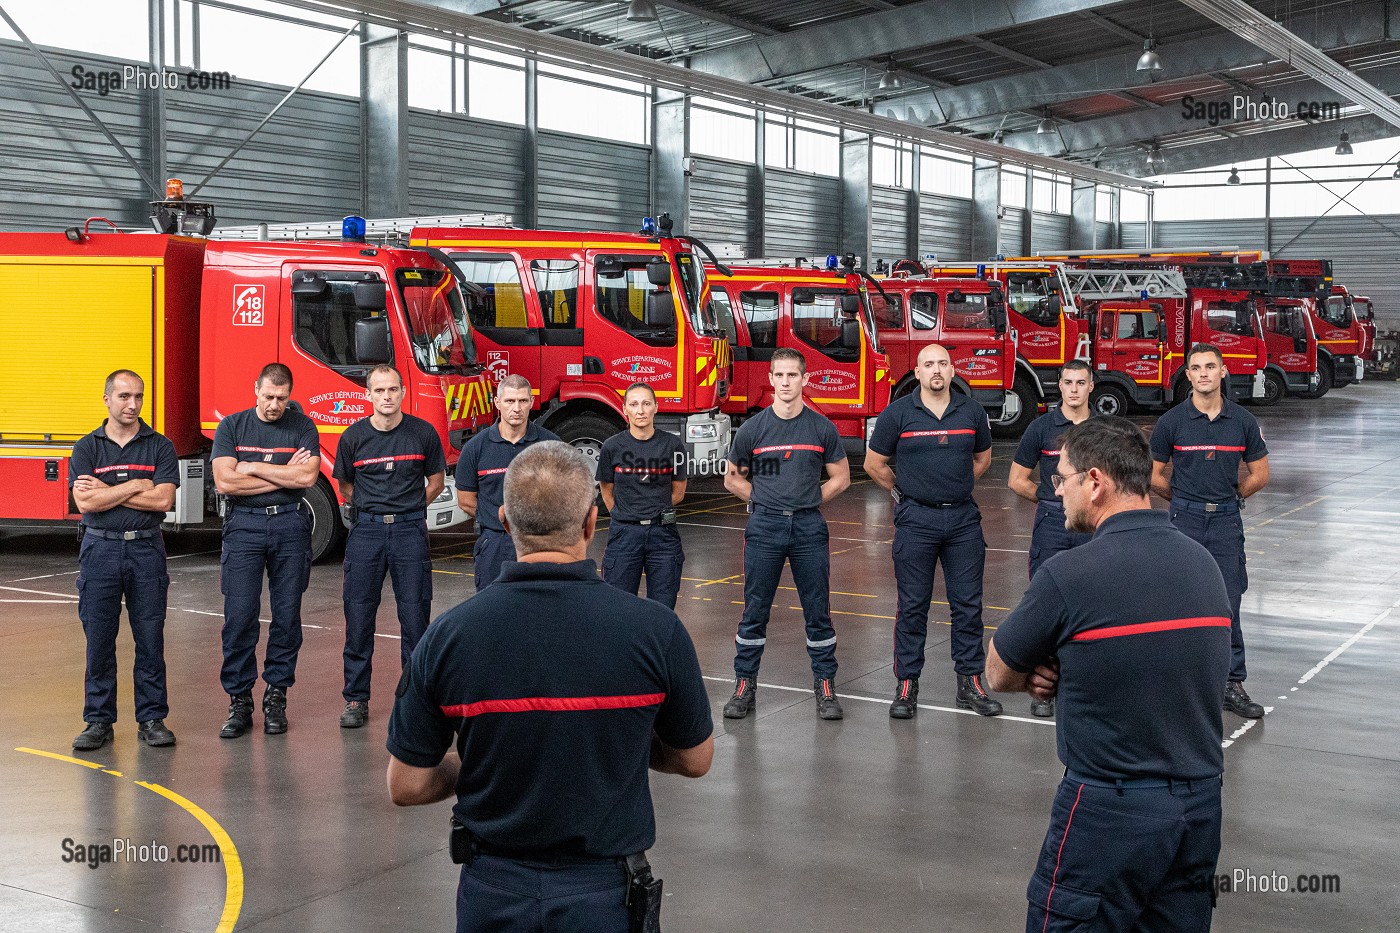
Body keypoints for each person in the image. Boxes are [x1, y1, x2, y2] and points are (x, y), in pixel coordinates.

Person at [386, 441, 713, 933]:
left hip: (491, 891)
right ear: (590, 521)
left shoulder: (447, 637)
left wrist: (475, 765)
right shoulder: (656, 631)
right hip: (604, 895)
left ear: (505, 519)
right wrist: (617, 745)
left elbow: (406, 784)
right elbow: (695, 759)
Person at [986, 416, 1232, 932]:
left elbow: (999, 674)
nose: (1059, 492)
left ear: (1095, 482)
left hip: (1108, 813)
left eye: (1063, 479)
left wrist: (1052, 666)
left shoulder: (1068, 575)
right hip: (1199, 810)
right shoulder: (1204, 564)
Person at [864, 343, 1001, 720]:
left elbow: (982, 458)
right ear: (919, 373)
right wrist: (904, 494)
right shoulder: (897, 414)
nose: (936, 370)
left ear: (952, 371)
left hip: (962, 522)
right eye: (929, 364)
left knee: (968, 607)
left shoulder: (971, 411)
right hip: (916, 522)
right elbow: (874, 464)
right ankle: (907, 684)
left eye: (942, 363)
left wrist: (954, 486)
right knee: (912, 607)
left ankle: (969, 683)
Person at [721, 348, 851, 722]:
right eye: (779, 375)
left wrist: (811, 501)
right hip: (764, 528)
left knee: (818, 611)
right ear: (771, 379)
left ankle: (825, 686)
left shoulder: (821, 427)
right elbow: (733, 477)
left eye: (793, 375)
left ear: (804, 379)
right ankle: (745, 685)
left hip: (809, 529)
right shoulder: (754, 429)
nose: (785, 382)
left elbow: (841, 476)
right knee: (754, 610)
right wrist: (762, 500)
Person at [1151, 343, 1271, 720]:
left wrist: (1231, 497)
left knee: (1227, 604)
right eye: (1196, 368)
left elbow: (1260, 473)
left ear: (1222, 372)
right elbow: (1154, 476)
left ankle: (1231, 684)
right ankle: (1178, 687)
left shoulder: (1243, 422)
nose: (1203, 373)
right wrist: (1184, 501)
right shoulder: (1172, 422)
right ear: (1187, 375)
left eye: (1210, 367)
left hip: (1225, 523)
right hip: (1183, 521)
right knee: (1180, 603)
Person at [69, 370, 180, 751]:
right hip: (99, 550)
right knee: (99, 639)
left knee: (150, 638)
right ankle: (98, 721)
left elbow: (164, 501)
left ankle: (152, 718)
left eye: (139, 397)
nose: (132, 405)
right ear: (106, 399)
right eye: (124, 397)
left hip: (146, 550)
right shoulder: (87, 447)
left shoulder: (160, 447)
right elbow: (86, 503)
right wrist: (136, 485)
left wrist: (109, 490)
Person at [332, 364, 446, 729]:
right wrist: (374, 509)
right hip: (366, 533)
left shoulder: (422, 434)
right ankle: (355, 699)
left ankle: (414, 699)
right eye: (379, 391)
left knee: (415, 617)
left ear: (402, 393)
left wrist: (408, 509)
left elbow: (437, 481)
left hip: (409, 532)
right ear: (368, 395)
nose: (386, 397)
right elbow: (346, 487)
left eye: (393, 390)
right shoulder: (352, 438)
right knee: (359, 617)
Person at [212, 362, 320, 738]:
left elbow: (306, 478)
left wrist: (252, 466)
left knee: (287, 617)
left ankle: (276, 696)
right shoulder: (232, 427)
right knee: (240, 616)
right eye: (268, 396)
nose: (275, 405)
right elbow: (226, 481)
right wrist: (280, 476)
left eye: (282, 398)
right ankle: (239, 701)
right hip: (243, 527)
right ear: (255, 389)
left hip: (290, 525)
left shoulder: (302, 425)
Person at [1008, 359, 1096, 718]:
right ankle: (1044, 688)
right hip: (1052, 524)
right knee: (1049, 605)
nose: (1073, 389)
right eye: (1068, 383)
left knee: (1093, 603)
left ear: (1091, 386)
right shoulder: (1041, 428)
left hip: (1092, 526)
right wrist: (1053, 502)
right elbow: (1017, 479)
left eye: (1080, 382)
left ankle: (1087, 685)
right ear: (1059, 386)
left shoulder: (1103, 431)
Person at [454, 374, 559, 592]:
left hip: (538, 543)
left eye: (522, 401)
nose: (517, 408)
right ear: (497, 402)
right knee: (491, 614)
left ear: (531, 402)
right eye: (510, 401)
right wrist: (499, 520)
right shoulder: (475, 448)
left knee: (538, 609)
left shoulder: (551, 445)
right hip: (493, 543)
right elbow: (465, 500)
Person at [596, 382, 688, 609]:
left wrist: (654, 509)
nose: (641, 410)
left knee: (664, 606)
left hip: (663, 536)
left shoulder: (673, 445)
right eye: (634, 404)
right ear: (624, 409)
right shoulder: (612, 446)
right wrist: (622, 513)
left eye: (646, 404)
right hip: (624, 535)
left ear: (656, 407)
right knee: (619, 606)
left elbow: (679, 491)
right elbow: (606, 486)